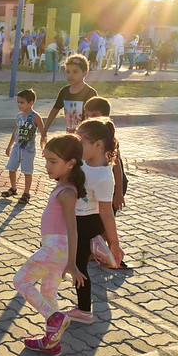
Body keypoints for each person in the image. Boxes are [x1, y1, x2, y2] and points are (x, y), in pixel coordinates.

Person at [14, 134, 86, 356]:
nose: (47, 166)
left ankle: (54, 317)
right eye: (46, 160)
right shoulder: (65, 187)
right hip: (58, 250)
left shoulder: (66, 193)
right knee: (48, 291)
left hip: (55, 250)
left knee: (21, 281)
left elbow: (73, 229)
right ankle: (51, 342)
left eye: (53, 161)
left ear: (71, 163)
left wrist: (72, 264)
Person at [67, 118, 124, 325]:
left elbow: (106, 212)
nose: (76, 145)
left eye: (81, 141)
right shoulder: (83, 162)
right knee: (73, 261)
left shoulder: (103, 176)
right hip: (76, 218)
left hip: (86, 222)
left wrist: (114, 243)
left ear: (98, 145)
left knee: (80, 266)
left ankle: (84, 311)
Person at [84, 96, 129, 267]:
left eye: (94, 115)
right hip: (103, 184)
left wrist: (118, 193)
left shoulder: (108, 138)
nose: (90, 118)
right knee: (99, 216)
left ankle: (107, 250)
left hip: (115, 184)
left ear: (105, 117)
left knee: (106, 218)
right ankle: (98, 249)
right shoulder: (93, 134)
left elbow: (116, 167)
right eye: (87, 115)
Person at [2, 89, 45, 205]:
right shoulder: (18, 116)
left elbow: (43, 133)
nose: (19, 105)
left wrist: (44, 147)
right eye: (18, 102)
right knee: (11, 168)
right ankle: (13, 188)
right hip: (17, 148)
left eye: (22, 102)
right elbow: (15, 132)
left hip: (28, 149)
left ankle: (26, 193)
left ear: (31, 103)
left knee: (27, 171)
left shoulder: (35, 117)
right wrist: (9, 146)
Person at [41, 54, 98, 141]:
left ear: (85, 73)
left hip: (87, 137)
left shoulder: (90, 93)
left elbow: (97, 117)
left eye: (75, 72)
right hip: (70, 135)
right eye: (68, 72)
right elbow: (54, 110)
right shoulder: (64, 92)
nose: (70, 75)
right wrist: (45, 130)